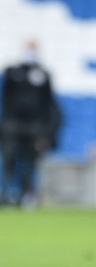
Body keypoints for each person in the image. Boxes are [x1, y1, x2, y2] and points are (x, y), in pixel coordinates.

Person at [0, 43, 61, 207]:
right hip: (13, 125)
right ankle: (4, 193)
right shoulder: (13, 72)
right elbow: (6, 98)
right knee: (9, 159)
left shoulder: (43, 74)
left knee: (29, 162)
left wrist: (45, 130)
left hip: (34, 127)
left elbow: (47, 103)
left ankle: (26, 195)